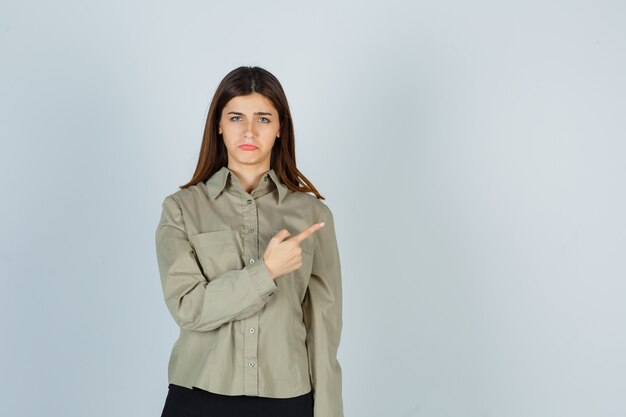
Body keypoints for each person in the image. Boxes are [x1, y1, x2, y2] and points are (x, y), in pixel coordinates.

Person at [155, 66, 344, 417]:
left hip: (286, 400)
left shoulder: (313, 216)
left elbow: (324, 329)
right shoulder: (181, 209)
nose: (249, 131)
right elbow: (188, 308)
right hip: (199, 396)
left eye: (263, 118)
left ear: (279, 129)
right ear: (219, 125)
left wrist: (329, 411)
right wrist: (267, 272)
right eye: (237, 117)